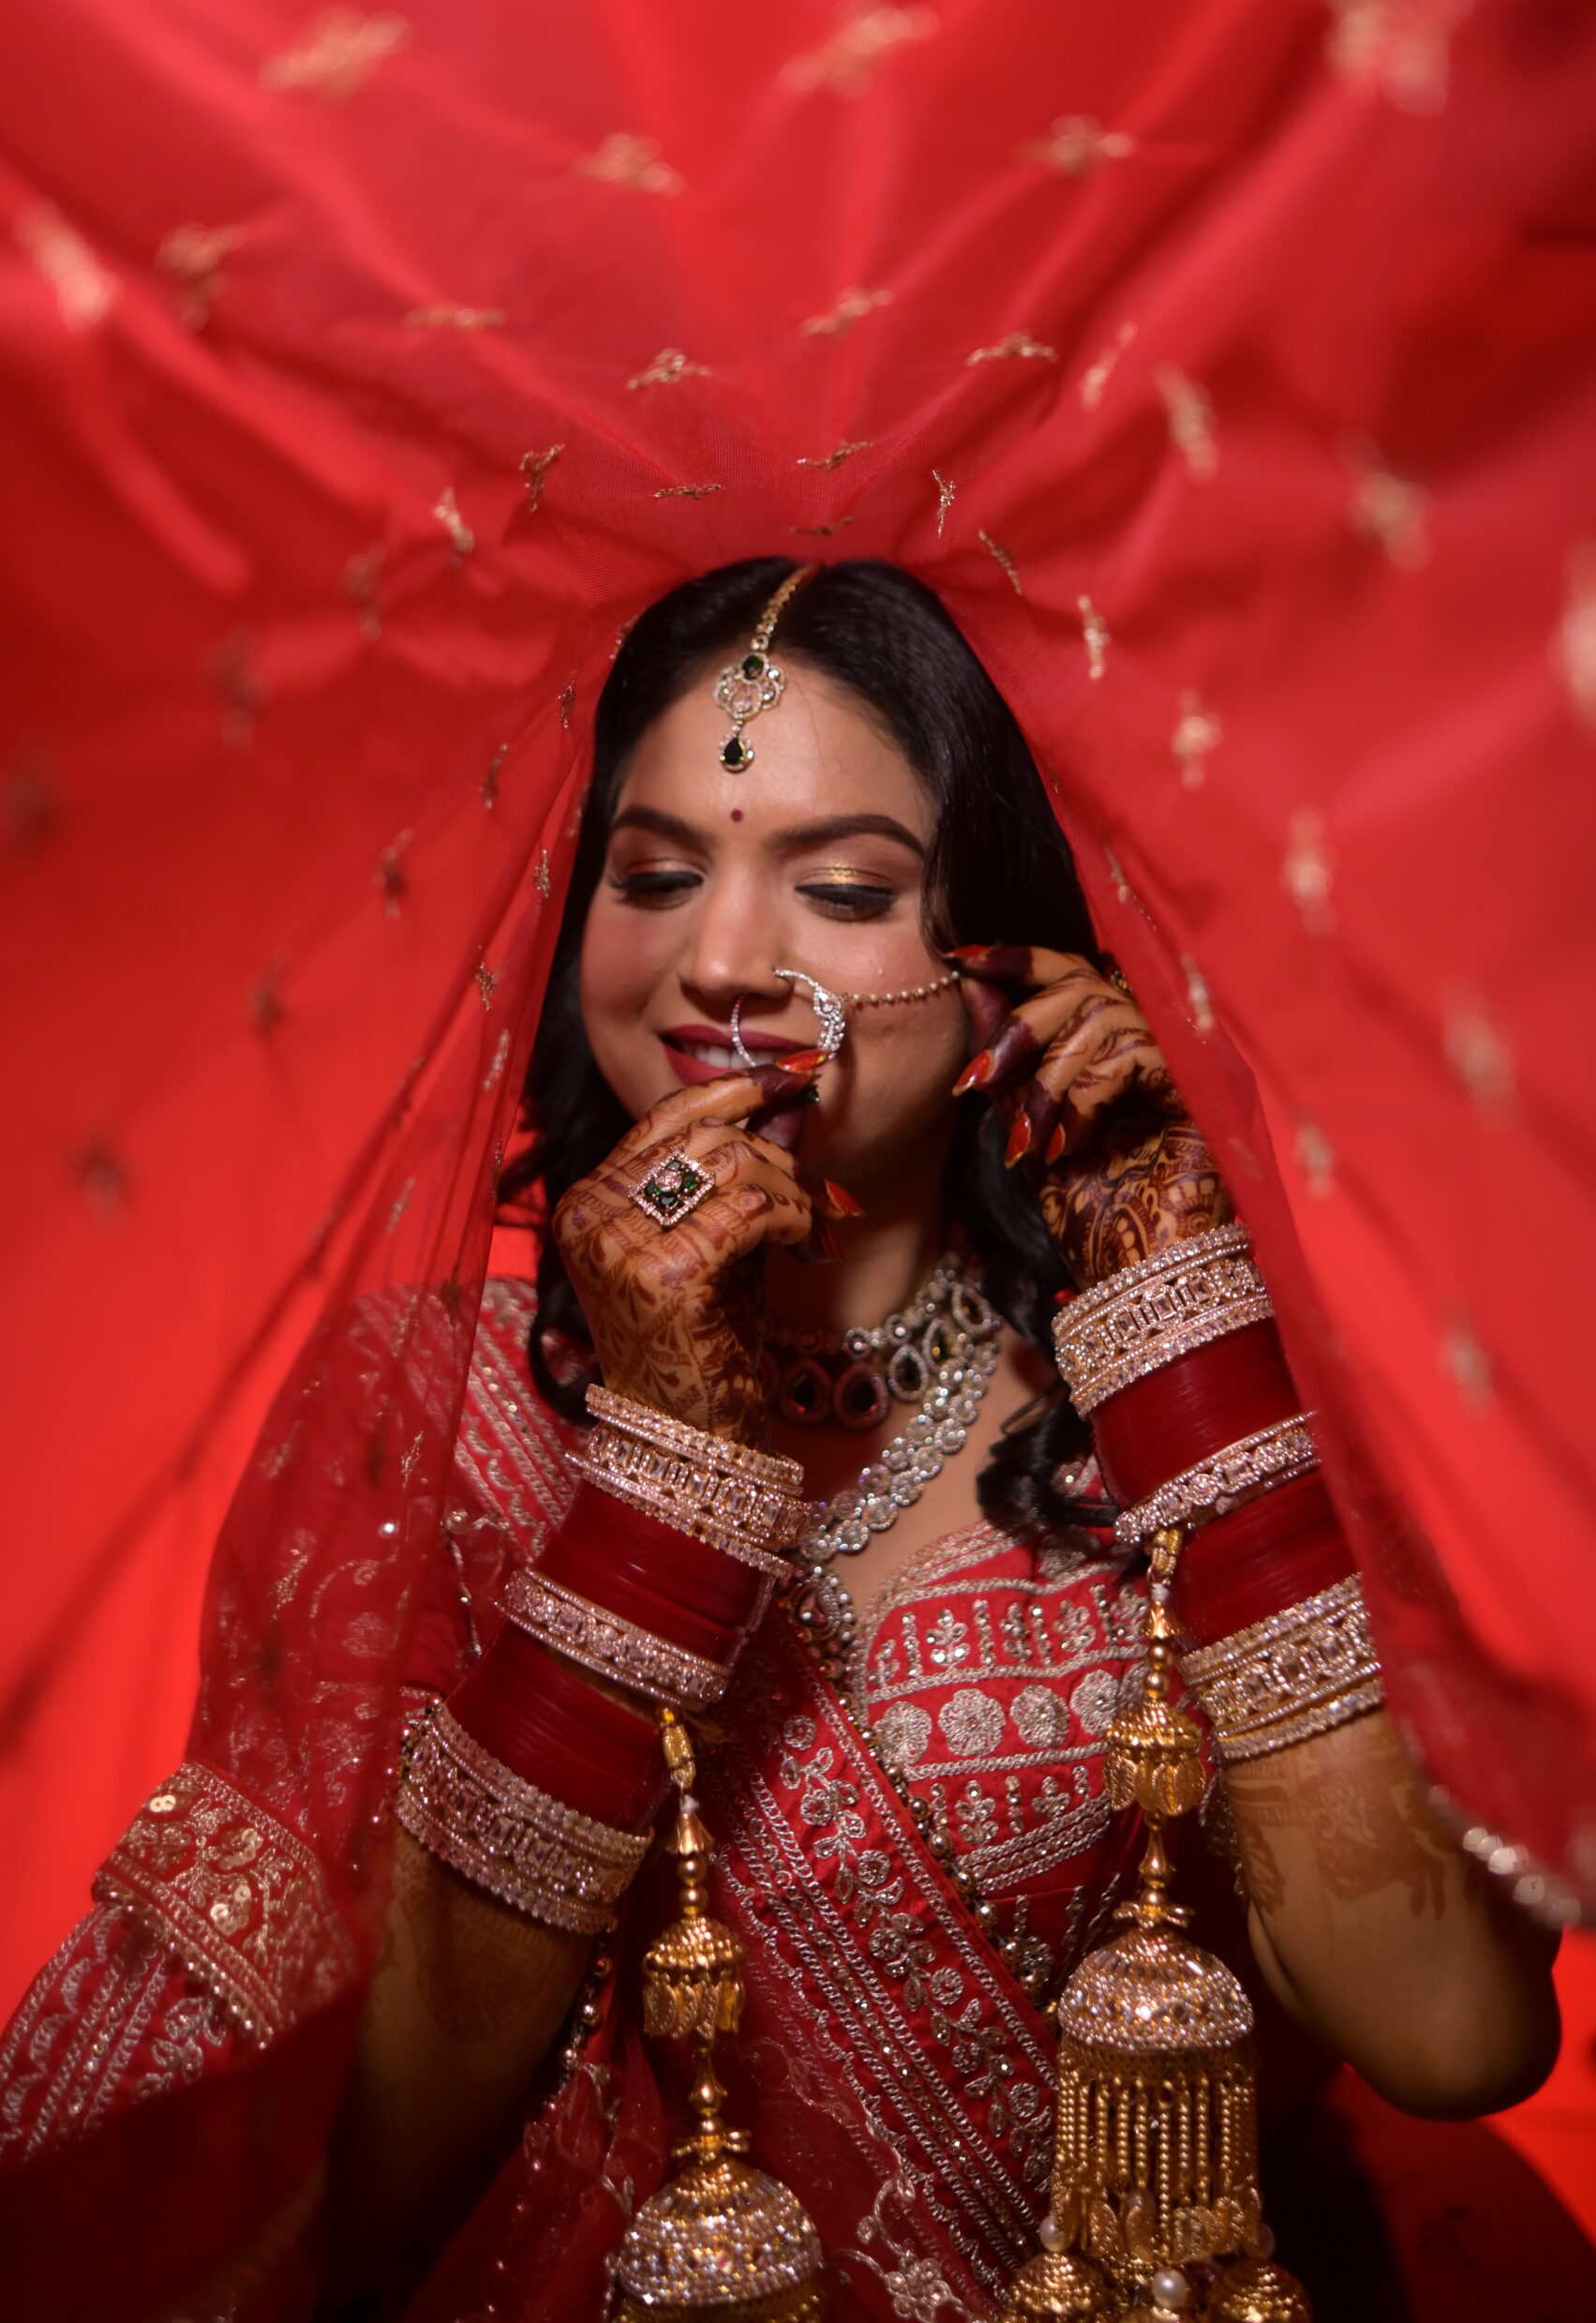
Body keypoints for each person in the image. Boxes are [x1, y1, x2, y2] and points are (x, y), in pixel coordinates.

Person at [0, 559, 1561, 2319]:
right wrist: (655, 1497)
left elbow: (1452, 2031)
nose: (723, 964)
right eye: (655, 875)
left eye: (844, 888)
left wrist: (1179, 1327)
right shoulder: (429, 1409)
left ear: (1011, 961)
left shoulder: (1195, 1395)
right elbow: (334, 2189)